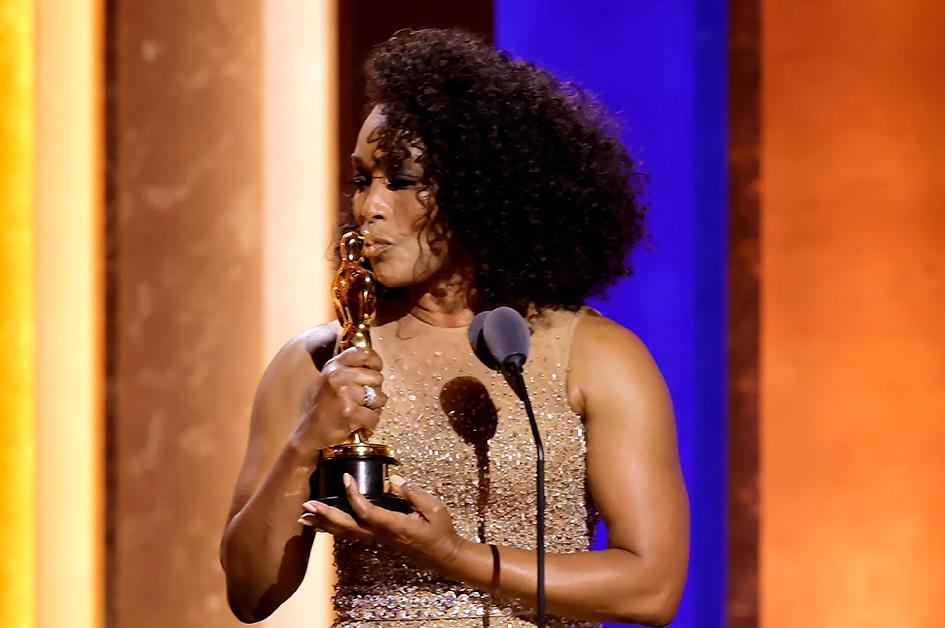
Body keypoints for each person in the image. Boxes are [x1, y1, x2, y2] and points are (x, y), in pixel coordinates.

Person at [222, 28, 688, 627]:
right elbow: (250, 594)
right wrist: (306, 439)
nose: (370, 207)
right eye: (364, 179)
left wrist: (453, 556)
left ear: (481, 190)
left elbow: (651, 589)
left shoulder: (597, 358)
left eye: (401, 180)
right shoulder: (319, 363)